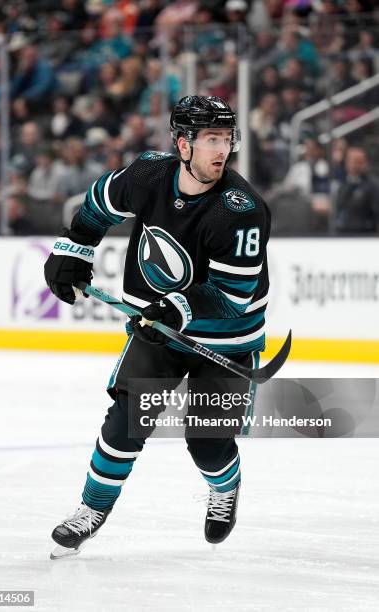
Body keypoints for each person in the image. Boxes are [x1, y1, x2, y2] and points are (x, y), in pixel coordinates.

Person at [44, 95, 271, 558]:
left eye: (226, 139)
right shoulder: (148, 174)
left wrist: (176, 308)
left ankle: (225, 487)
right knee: (126, 421)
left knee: (206, 442)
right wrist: (74, 248)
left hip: (225, 340)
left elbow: (230, 298)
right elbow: (99, 203)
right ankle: (90, 510)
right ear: (182, 144)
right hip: (157, 331)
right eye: (210, 139)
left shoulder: (241, 209)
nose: (221, 150)